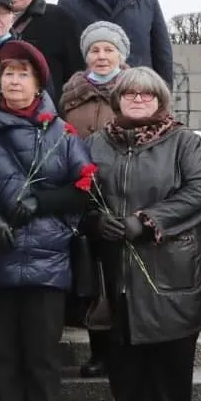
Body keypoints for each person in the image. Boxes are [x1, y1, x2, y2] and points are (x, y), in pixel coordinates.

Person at [84, 67, 201, 401]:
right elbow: (83, 192)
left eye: (147, 94)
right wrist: (93, 220)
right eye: (130, 94)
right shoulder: (97, 143)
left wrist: (147, 220)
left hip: (173, 271)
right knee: (125, 366)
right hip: (119, 273)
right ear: (117, 100)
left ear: (161, 100)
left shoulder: (183, 141)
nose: (138, 100)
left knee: (172, 364)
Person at [0, 41, 92, 401]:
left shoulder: (62, 133)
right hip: (0, 260)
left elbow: (87, 188)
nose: (14, 81)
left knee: (41, 358)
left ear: (38, 81)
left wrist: (42, 202)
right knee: (3, 356)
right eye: (7, 73)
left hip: (47, 260)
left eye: (23, 73)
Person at [60, 20, 132, 379]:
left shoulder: (138, 89)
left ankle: (125, 347)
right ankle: (99, 351)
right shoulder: (70, 93)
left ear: (121, 54)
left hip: (125, 194)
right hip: (84, 194)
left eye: (108, 49)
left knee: (121, 278)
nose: (101, 56)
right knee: (94, 278)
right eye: (94, 50)